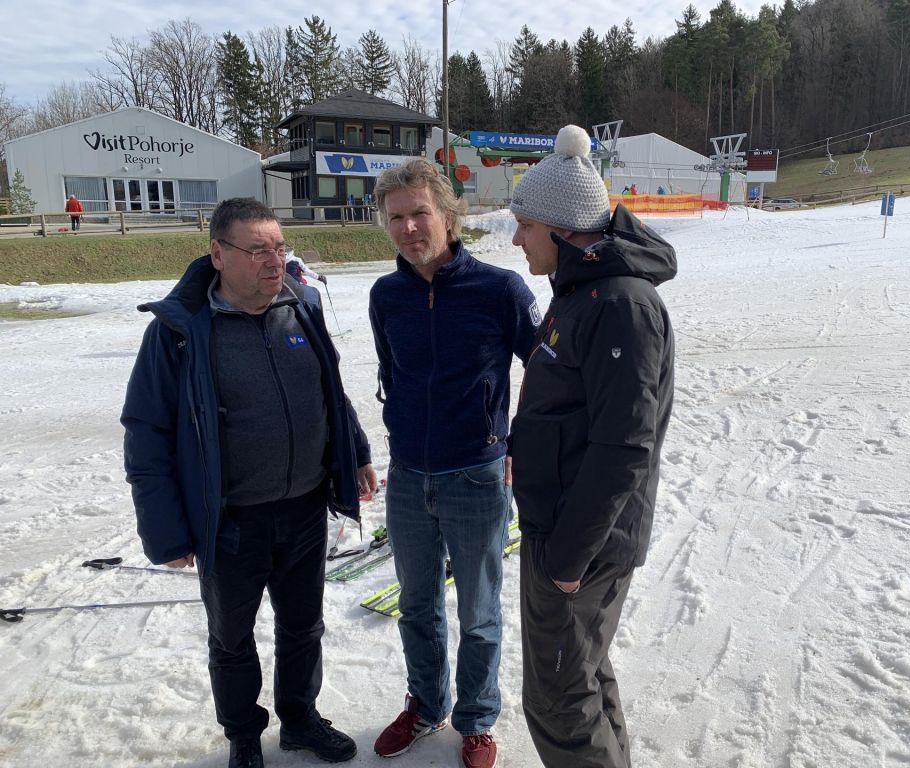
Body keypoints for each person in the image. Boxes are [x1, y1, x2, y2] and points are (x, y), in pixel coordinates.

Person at [121, 197, 377, 768]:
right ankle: (242, 733)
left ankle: (301, 718)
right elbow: (146, 432)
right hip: (230, 520)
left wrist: (355, 452)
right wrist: (167, 533)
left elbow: (330, 392)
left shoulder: (302, 306)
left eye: (279, 248)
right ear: (218, 253)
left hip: (305, 509)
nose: (273, 261)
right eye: (257, 250)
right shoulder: (179, 331)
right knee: (232, 639)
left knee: (303, 625)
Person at [507, 124, 676, 768]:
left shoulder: (618, 305)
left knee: (558, 698)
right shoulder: (582, 293)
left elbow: (622, 445)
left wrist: (568, 556)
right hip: (561, 530)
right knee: (580, 672)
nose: (517, 238)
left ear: (561, 226)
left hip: (582, 544)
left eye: (525, 225)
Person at [367, 158, 539, 768]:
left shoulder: (499, 290)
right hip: (410, 477)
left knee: (479, 611)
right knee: (416, 604)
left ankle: (476, 718)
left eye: (420, 213)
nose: (409, 228)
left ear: (448, 214)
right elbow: (394, 374)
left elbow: (544, 370)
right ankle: (426, 704)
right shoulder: (385, 296)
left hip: (478, 475)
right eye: (396, 218)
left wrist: (516, 442)